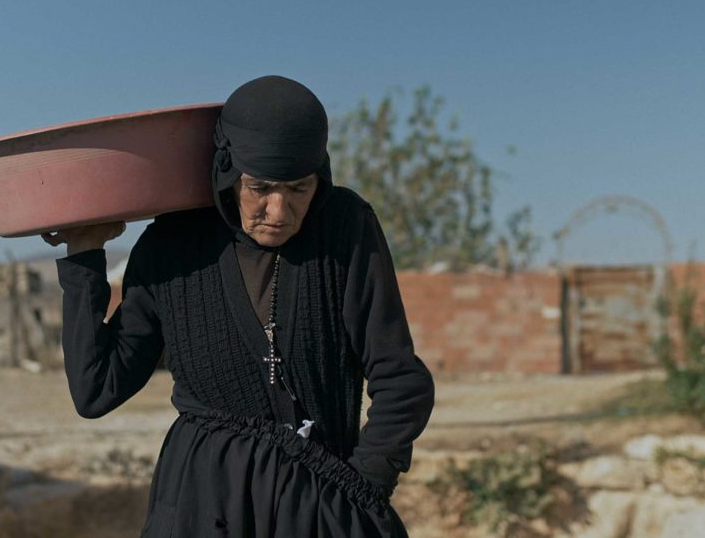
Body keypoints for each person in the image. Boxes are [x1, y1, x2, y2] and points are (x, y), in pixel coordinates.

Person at [42, 75, 435, 537]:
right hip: (202, 502)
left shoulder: (345, 228)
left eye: (299, 189)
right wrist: (84, 258)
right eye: (261, 188)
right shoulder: (173, 245)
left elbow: (399, 377)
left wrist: (364, 487)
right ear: (229, 171)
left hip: (320, 502)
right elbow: (96, 389)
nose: (279, 210)